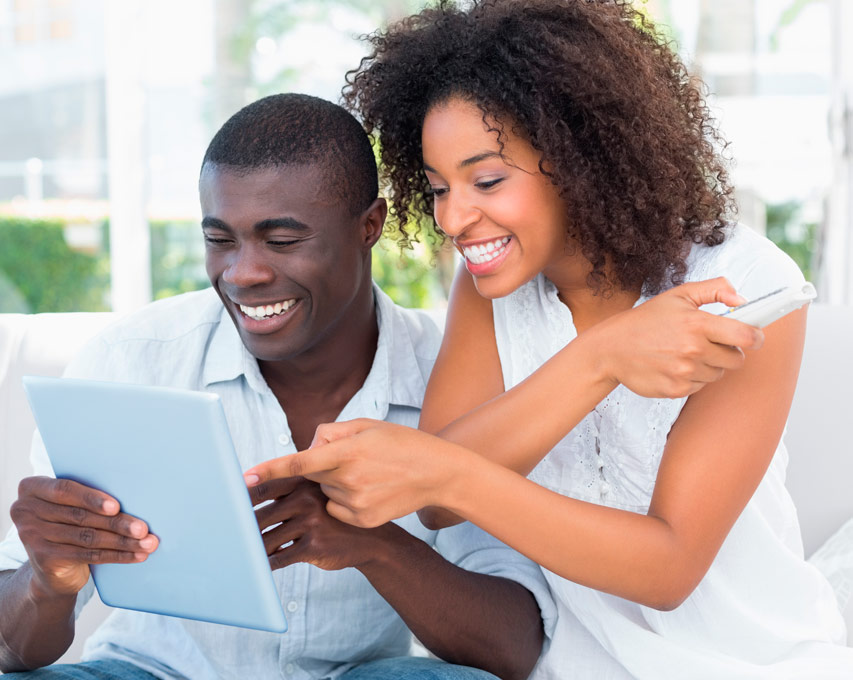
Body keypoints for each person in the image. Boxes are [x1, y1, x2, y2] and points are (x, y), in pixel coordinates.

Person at [245, 2, 853, 678]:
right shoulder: (489, 287)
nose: (453, 218)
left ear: (581, 158)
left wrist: (439, 467)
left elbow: (667, 568)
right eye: (438, 188)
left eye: (486, 180)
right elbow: (436, 504)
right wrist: (600, 359)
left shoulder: (745, 282)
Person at [0, 93, 558, 680]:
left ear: (370, 226)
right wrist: (47, 581)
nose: (242, 273)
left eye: (283, 241)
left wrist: (376, 546)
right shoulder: (130, 362)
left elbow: (512, 648)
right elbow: (12, 652)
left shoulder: (455, 383)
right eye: (220, 240)